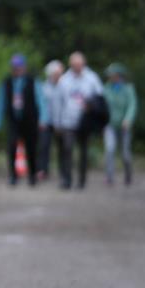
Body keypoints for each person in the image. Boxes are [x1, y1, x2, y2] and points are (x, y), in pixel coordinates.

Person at [0, 53, 44, 186]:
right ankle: (13, 176)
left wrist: (43, 119)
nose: (17, 69)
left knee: (31, 148)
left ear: (24, 67)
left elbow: (41, 101)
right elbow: (1, 103)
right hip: (13, 120)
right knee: (11, 146)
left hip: (30, 120)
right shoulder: (6, 82)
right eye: (15, 67)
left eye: (19, 66)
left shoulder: (33, 81)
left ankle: (32, 175)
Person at [54, 51, 104, 190]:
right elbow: (58, 102)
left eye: (79, 64)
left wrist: (93, 110)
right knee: (67, 149)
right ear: (71, 65)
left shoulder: (92, 78)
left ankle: (82, 180)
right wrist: (57, 122)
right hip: (68, 121)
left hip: (85, 121)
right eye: (74, 64)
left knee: (83, 151)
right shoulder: (64, 80)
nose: (77, 67)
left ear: (83, 64)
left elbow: (100, 98)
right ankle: (67, 179)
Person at [102, 62, 138, 186]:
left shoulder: (128, 89)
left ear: (118, 75)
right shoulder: (106, 88)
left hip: (124, 126)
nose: (110, 77)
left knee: (125, 154)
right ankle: (109, 177)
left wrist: (128, 119)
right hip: (110, 125)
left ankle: (128, 175)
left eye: (112, 75)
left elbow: (132, 105)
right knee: (110, 150)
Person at [37, 59, 65, 182]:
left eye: (59, 73)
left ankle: (63, 171)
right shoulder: (44, 87)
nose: (57, 76)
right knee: (44, 146)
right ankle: (43, 170)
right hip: (47, 122)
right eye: (55, 73)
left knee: (62, 148)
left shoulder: (64, 86)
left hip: (61, 122)